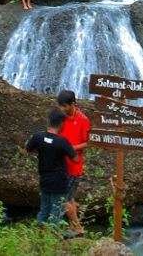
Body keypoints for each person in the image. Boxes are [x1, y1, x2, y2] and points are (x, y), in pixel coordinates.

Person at [26, 109, 77, 225]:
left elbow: (27, 149)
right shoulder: (62, 141)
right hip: (59, 182)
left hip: (44, 179)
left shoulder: (38, 137)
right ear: (61, 124)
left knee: (44, 209)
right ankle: (53, 237)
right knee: (56, 211)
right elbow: (75, 158)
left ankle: (40, 235)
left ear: (49, 121)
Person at [57, 90, 91, 236]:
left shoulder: (83, 120)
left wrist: (71, 148)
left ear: (73, 104)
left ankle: (77, 228)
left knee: (65, 198)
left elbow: (88, 142)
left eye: (65, 106)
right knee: (69, 198)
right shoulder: (60, 118)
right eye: (60, 106)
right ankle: (73, 226)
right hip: (60, 165)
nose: (62, 109)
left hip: (74, 166)